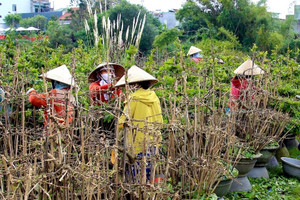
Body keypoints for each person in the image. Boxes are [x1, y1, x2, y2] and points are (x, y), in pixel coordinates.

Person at [115, 65, 164, 183]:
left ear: (135, 85)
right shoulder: (154, 97)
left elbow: (122, 122)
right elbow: (160, 121)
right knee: (149, 177)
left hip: (138, 143)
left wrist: (117, 136)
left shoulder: (133, 98)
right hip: (154, 141)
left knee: (136, 179)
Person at [26, 65, 76, 129]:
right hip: (67, 129)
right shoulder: (71, 96)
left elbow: (34, 99)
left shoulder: (55, 93)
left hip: (53, 129)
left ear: (56, 82)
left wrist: (31, 92)